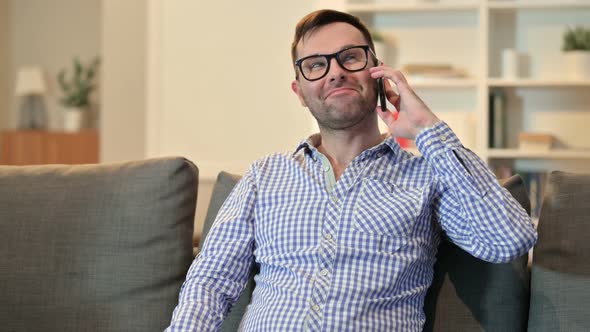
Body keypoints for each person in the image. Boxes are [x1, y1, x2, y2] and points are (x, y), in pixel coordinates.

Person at [165, 9, 537, 331]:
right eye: (316, 65)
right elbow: (210, 284)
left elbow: (508, 241)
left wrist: (427, 130)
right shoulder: (265, 176)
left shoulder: (426, 177)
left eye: (350, 57)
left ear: (377, 72)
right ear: (299, 91)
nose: (335, 72)